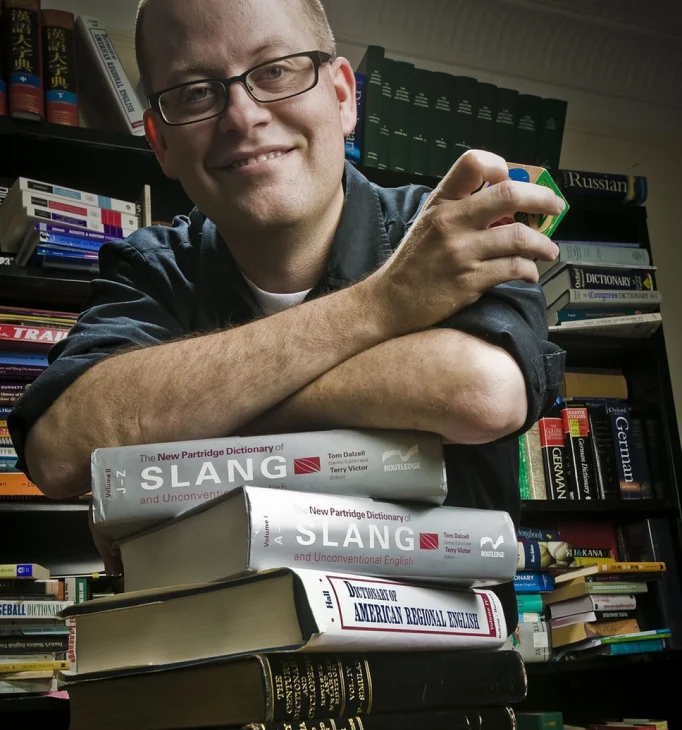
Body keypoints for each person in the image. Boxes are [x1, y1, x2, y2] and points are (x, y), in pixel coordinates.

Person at [8, 0, 565, 628]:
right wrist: (384, 302)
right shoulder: (149, 265)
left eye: (276, 70)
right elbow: (61, 452)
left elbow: (479, 391)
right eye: (195, 93)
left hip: (440, 701)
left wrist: (165, 449)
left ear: (343, 95)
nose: (243, 117)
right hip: (210, 690)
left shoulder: (448, 226)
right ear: (159, 141)